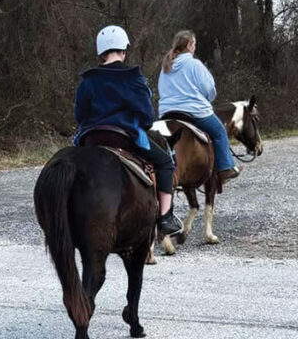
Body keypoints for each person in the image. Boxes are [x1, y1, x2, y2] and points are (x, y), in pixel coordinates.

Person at [73, 25, 185, 237]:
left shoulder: (87, 80)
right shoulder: (133, 77)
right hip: (123, 138)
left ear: (101, 52)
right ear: (123, 51)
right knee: (165, 163)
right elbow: (147, 117)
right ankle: (165, 218)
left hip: (91, 139)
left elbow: (79, 116)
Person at [157, 29, 241, 181]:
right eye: (194, 44)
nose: (195, 47)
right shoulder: (194, 64)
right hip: (193, 111)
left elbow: (161, 89)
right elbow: (209, 89)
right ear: (189, 45)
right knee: (219, 131)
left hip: (167, 113)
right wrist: (208, 98)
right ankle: (225, 168)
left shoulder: (166, 67)